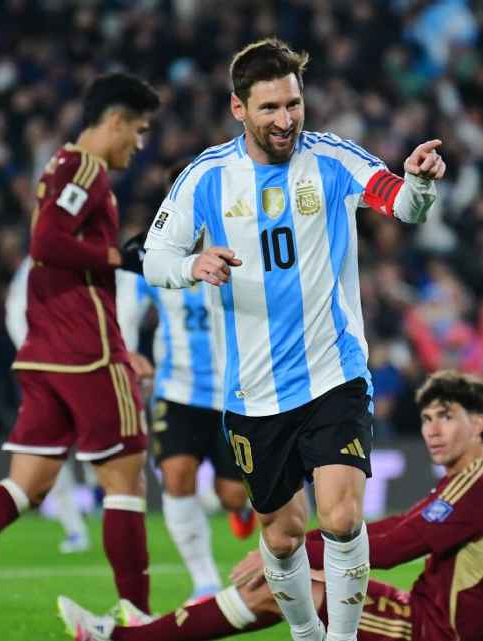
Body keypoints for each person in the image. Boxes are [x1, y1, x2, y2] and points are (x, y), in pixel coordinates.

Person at [142, 37, 447, 641]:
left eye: (294, 104)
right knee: (282, 538)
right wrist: (191, 266)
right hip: (252, 391)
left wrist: (419, 185)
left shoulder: (330, 158)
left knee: (342, 516)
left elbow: (400, 204)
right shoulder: (206, 178)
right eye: (270, 109)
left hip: (334, 372)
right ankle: (306, 633)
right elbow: (156, 255)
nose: (286, 120)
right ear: (239, 109)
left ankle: (340, 638)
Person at [0, 71, 161, 641]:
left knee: (28, 485)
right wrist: (119, 258)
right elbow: (46, 242)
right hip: (87, 350)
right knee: (125, 481)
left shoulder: (57, 166)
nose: (138, 145)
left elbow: (48, 241)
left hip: (45, 351)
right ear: (114, 121)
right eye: (137, 131)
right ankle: (137, 619)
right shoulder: (88, 170)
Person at [56, 369, 483, 641]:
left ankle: (125, 637)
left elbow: (389, 547)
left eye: (446, 417)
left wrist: (285, 550)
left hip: (429, 633)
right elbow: (401, 527)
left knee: (276, 585)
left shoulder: (479, 486)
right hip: (426, 616)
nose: (432, 430)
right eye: (427, 418)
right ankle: (144, 631)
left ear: (479, 421)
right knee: (290, 584)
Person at [120, 237, 257, 605]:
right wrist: (128, 350)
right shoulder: (158, 254)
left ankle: (241, 508)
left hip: (233, 392)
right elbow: (128, 296)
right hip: (177, 390)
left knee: (232, 495)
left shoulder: (236, 238)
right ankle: (205, 583)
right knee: (177, 475)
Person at [5, 255, 156, 555]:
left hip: (102, 365)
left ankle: (105, 507)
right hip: (60, 367)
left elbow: (130, 307)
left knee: (105, 446)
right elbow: (15, 311)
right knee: (51, 452)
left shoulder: (111, 256)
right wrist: (38, 354)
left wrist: (124, 353)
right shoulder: (39, 259)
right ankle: (76, 527)